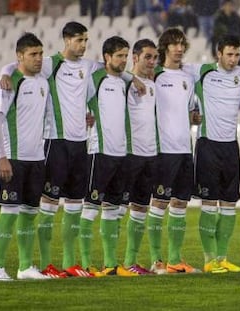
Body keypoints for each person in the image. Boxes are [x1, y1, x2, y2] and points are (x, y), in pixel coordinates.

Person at [0, 22, 102, 278]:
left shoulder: (88, 67)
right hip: (55, 143)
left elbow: (108, 77)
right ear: (67, 40)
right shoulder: (48, 63)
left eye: (86, 40)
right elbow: (18, 64)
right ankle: (46, 264)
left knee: (75, 203)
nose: (83, 45)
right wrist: (4, 71)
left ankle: (69, 263)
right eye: (79, 40)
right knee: (48, 202)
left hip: (81, 145)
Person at [183, 34, 240, 273]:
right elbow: (169, 68)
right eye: (229, 54)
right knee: (209, 203)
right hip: (207, 144)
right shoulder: (201, 71)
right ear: (219, 54)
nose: (233, 59)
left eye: (237, 54)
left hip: (230, 147)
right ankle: (209, 260)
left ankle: (223, 258)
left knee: (229, 203)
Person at [0, 33, 50, 281]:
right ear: (20, 56)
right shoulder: (9, 81)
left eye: (40, 54)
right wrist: (2, 157)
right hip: (11, 158)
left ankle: (25, 268)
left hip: (36, 159)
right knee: (10, 211)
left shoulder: (44, 82)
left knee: (29, 212)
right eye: (33, 54)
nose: (38, 59)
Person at [79, 36, 139, 277]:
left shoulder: (125, 82)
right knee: (90, 208)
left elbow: (126, 76)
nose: (124, 60)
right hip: (99, 152)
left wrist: (132, 77)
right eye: (119, 56)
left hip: (121, 154)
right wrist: (85, 115)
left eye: (126, 56)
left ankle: (111, 265)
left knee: (113, 210)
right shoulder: (94, 79)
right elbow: (75, 100)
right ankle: (84, 264)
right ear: (107, 57)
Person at [148, 27, 200, 274]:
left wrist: (195, 117)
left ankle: (175, 260)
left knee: (180, 203)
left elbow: (191, 112)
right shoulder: (154, 75)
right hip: (162, 149)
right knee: (159, 202)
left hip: (183, 149)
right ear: (165, 47)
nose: (179, 48)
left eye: (182, 44)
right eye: (174, 44)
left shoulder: (188, 78)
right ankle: (156, 260)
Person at [122, 39, 159, 274]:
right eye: (147, 57)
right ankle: (108, 263)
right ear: (134, 57)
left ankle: (130, 262)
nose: (152, 62)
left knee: (140, 208)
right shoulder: (122, 81)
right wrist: (130, 77)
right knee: (113, 207)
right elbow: (98, 67)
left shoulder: (153, 84)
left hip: (150, 153)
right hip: (128, 152)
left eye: (155, 57)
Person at [212, 0, 240, 66]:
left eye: (230, 5)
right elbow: (218, 32)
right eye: (227, 5)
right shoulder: (219, 18)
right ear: (223, 6)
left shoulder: (236, 17)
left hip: (237, 39)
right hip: (225, 39)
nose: (229, 7)